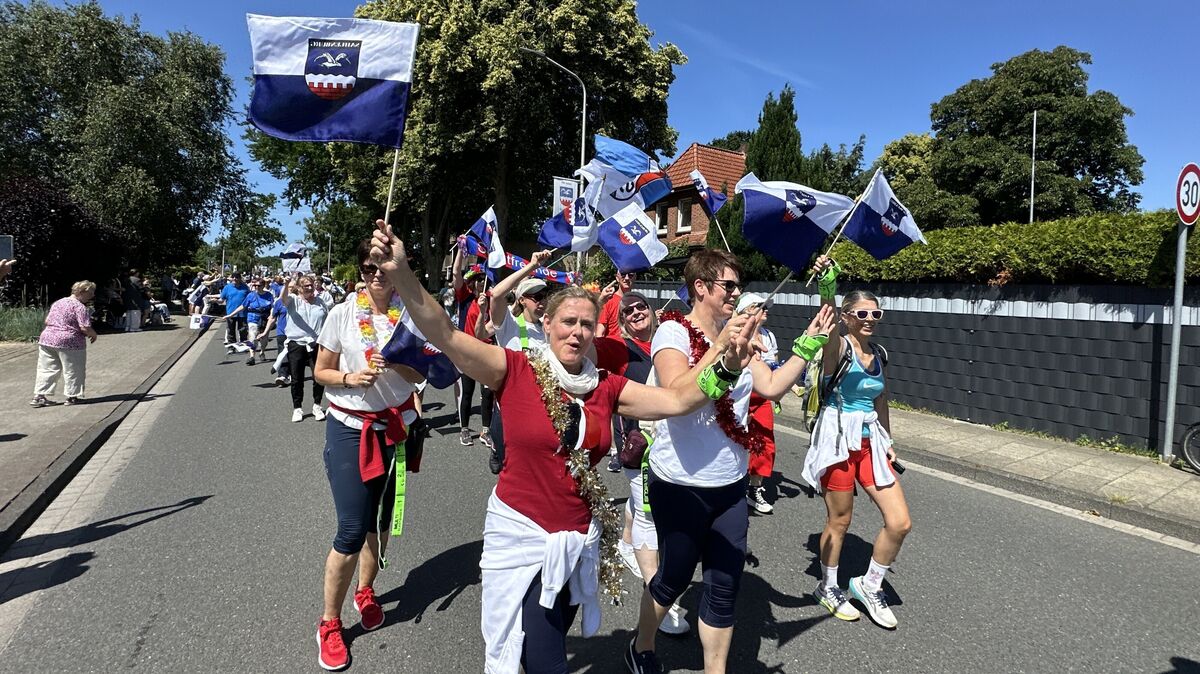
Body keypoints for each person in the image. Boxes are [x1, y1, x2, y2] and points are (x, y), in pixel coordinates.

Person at [369, 221, 760, 674]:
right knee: (546, 661)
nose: (577, 332)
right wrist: (401, 273)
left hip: (577, 543)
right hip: (522, 537)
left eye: (587, 324)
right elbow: (446, 336)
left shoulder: (606, 387)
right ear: (548, 324)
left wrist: (726, 366)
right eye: (568, 322)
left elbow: (676, 399)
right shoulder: (513, 369)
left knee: (547, 638)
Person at [629, 249, 834, 674]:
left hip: (729, 485)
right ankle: (641, 645)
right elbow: (675, 395)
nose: (738, 293)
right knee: (673, 578)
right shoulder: (673, 331)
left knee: (724, 586)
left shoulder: (741, 333)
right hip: (680, 483)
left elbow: (773, 386)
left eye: (740, 286)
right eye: (730, 285)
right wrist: (722, 350)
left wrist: (808, 344)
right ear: (700, 288)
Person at [310, 240, 425, 672]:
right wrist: (351, 376)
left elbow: (423, 372)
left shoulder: (409, 317)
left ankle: (366, 590)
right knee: (352, 528)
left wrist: (396, 363)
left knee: (381, 520)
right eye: (368, 267)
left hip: (397, 427)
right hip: (350, 430)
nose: (377, 274)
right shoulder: (342, 313)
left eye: (383, 266)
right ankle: (329, 623)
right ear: (360, 271)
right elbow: (321, 372)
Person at [802, 257, 910, 630]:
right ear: (847, 316)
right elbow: (827, 322)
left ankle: (868, 585)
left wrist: (888, 441)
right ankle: (828, 586)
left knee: (899, 522)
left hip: (869, 441)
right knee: (840, 519)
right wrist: (828, 285)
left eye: (876, 313)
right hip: (837, 439)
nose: (869, 318)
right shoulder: (840, 348)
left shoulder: (879, 355)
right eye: (862, 312)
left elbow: (881, 400)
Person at [592, 290, 691, 636]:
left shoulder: (675, 340)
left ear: (652, 311)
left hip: (678, 440)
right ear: (621, 322)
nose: (635, 313)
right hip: (641, 443)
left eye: (640, 307)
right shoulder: (618, 349)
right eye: (627, 311)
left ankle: (625, 541)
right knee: (649, 511)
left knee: (643, 502)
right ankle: (660, 597)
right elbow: (587, 349)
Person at [480, 250, 554, 473]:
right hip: (510, 410)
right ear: (522, 299)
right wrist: (532, 266)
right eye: (535, 297)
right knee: (509, 469)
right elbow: (497, 294)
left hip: (541, 408)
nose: (541, 301)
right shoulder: (509, 324)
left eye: (544, 295)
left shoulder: (548, 328)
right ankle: (496, 447)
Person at [743, 294, 781, 515]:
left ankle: (754, 488)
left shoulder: (769, 336)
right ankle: (733, 484)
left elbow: (775, 365)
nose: (765, 310)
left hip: (763, 397)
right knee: (737, 441)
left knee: (765, 443)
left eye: (766, 306)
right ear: (746, 310)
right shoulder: (738, 333)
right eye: (760, 306)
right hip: (742, 396)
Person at [31, 281, 98, 407]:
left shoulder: (58, 302)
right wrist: (93, 334)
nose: (92, 295)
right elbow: (84, 327)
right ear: (82, 291)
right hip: (70, 342)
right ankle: (72, 397)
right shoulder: (80, 307)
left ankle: (39, 396)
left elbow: (47, 320)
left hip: (47, 339)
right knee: (73, 369)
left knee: (46, 369)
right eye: (91, 292)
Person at [451, 245, 491, 446]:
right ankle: (464, 429)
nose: (482, 283)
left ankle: (486, 431)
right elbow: (456, 272)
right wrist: (461, 250)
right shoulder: (465, 297)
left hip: (486, 352)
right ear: (472, 283)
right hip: (467, 351)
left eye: (484, 280)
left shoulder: (490, 300)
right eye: (478, 280)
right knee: (467, 392)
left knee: (488, 393)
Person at [280, 273, 333, 422]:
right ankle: (297, 408)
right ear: (299, 288)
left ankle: (317, 405)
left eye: (311, 285)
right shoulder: (294, 301)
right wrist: (285, 285)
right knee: (297, 378)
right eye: (306, 286)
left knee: (319, 377)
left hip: (316, 343)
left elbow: (328, 319)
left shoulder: (321, 302)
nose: (310, 288)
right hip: (297, 344)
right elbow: (283, 299)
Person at [230, 279, 275, 364]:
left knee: (264, 339)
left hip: (264, 318)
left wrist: (271, 315)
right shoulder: (251, 295)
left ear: (263, 286)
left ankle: (262, 351)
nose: (256, 287)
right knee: (252, 337)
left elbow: (272, 306)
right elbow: (243, 306)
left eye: (259, 286)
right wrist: (231, 315)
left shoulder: (269, 295)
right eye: (255, 286)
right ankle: (252, 356)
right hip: (252, 318)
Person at [596, 271, 636, 338]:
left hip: (632, 346)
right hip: (612, 346)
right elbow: (599, 334)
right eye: (623, 275)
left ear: (635, 278)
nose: (626, 278)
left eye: (630, 275)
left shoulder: (637, 302)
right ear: (617, 278)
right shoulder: (609, 300)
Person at [220, 272, 251, 344]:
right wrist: (214, 301)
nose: (235, 279)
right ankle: (231, 346)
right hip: (230, 312)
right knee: (230, 331)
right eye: (233, 277)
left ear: (240, 278)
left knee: (243, 330)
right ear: (231, 278)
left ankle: (243, 345)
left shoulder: (245, 287)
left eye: (237, 277)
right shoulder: (227, 287)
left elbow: (250, 298)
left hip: (243, 313)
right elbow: (222, 300)